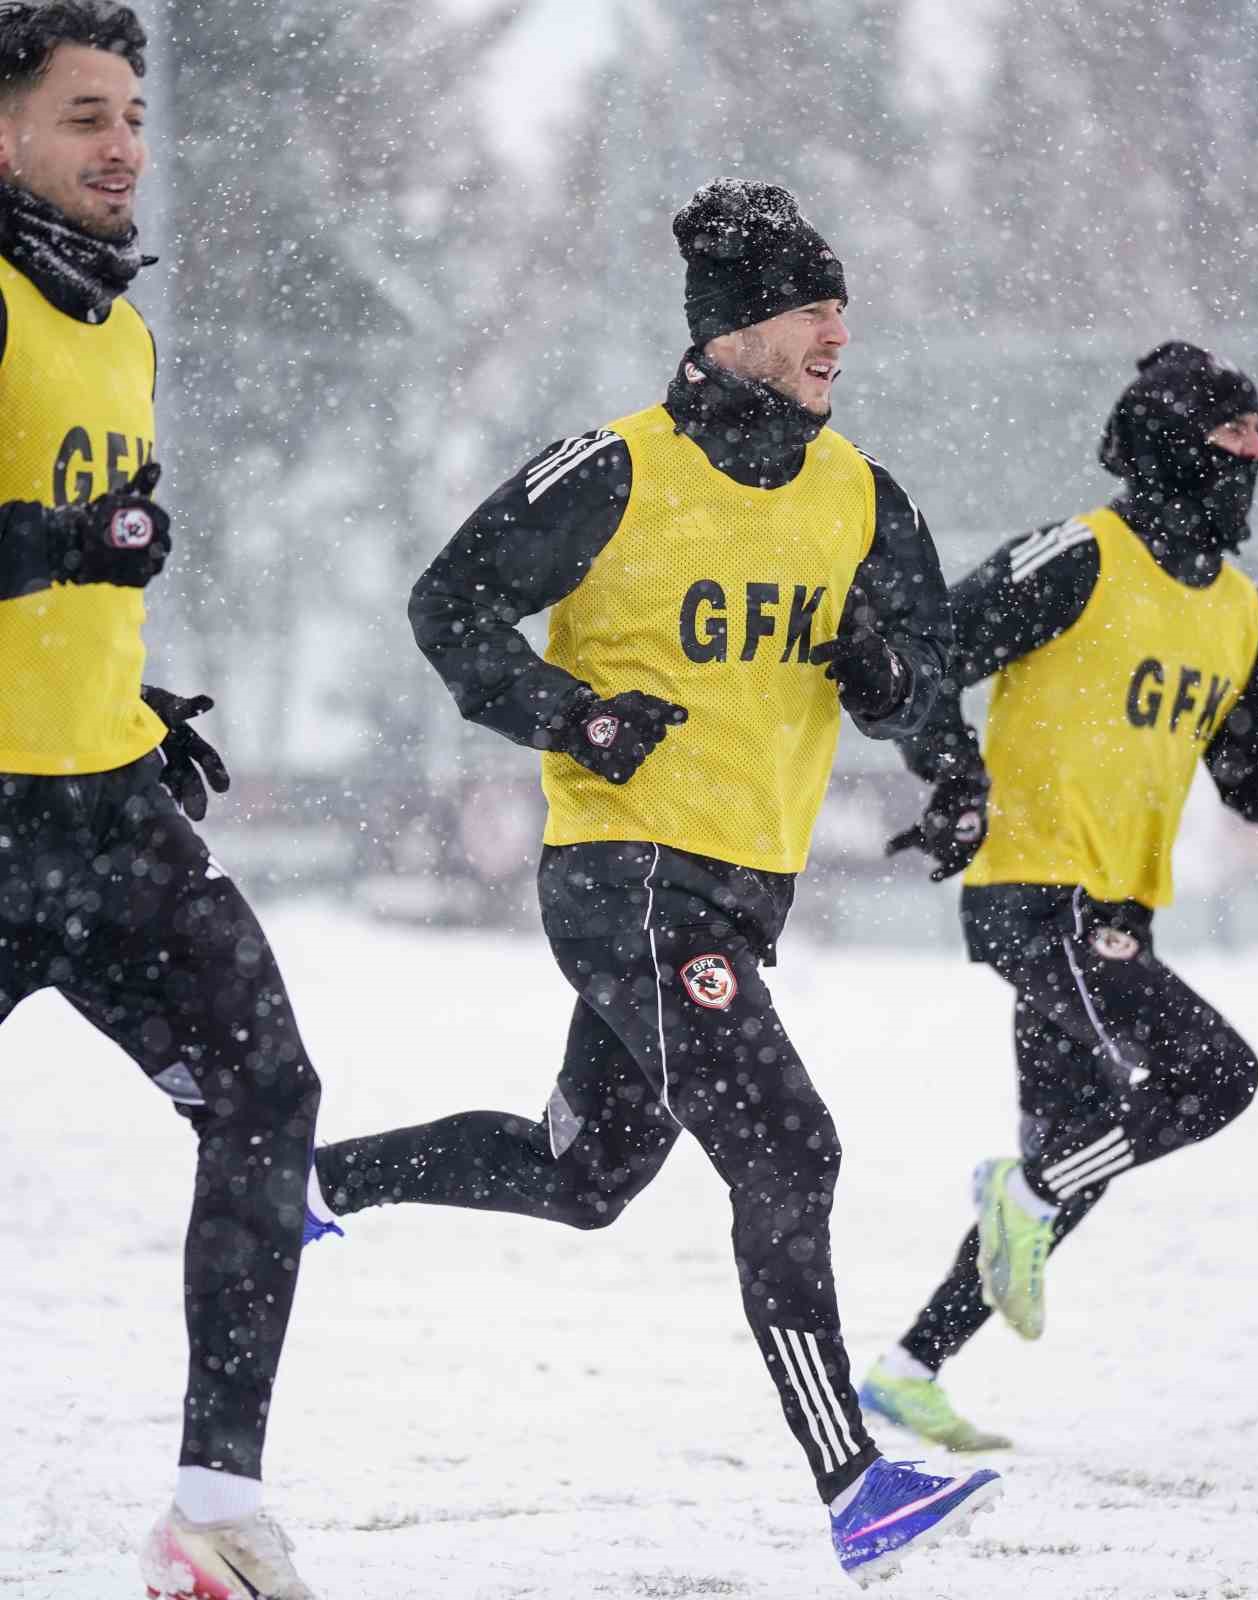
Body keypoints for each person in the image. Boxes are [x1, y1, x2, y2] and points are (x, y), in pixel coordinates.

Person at [307, 178, 1001, 1585]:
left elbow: (922, 677)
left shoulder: (867, 495)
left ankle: (308, 1182)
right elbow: (449, 606)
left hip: (745, 889)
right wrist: (573, 716)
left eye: (840, 305)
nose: (836, 331)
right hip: (625, 880)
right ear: (733, 328)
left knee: (581, 1177)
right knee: (791, 1150)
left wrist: (935, 744)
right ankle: (853, 1489)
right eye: (809, 306)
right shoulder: (614, 470)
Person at [856, 342, 1258, 1453]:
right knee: (1214, 1080)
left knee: (1084, 1149)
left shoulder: (1242, 612)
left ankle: (909, 1365)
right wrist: (954, 778)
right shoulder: (1078, 554)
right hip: (1034, 894)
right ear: (1170, 445)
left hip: (1118, 915)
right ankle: (1017, 1194)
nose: (1253, 459)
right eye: (1231, 440)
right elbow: (923, 654)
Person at [0, 6, 325, 1595]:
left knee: (270, 1093)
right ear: (5, 138)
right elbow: (55, 542)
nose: (123, 141)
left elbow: (86, 563)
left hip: (107, 819)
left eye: (131, 112)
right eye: (81, 116)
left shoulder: (116, 327)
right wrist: (62, 549)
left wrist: (125, 696)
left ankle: (210, 1511)